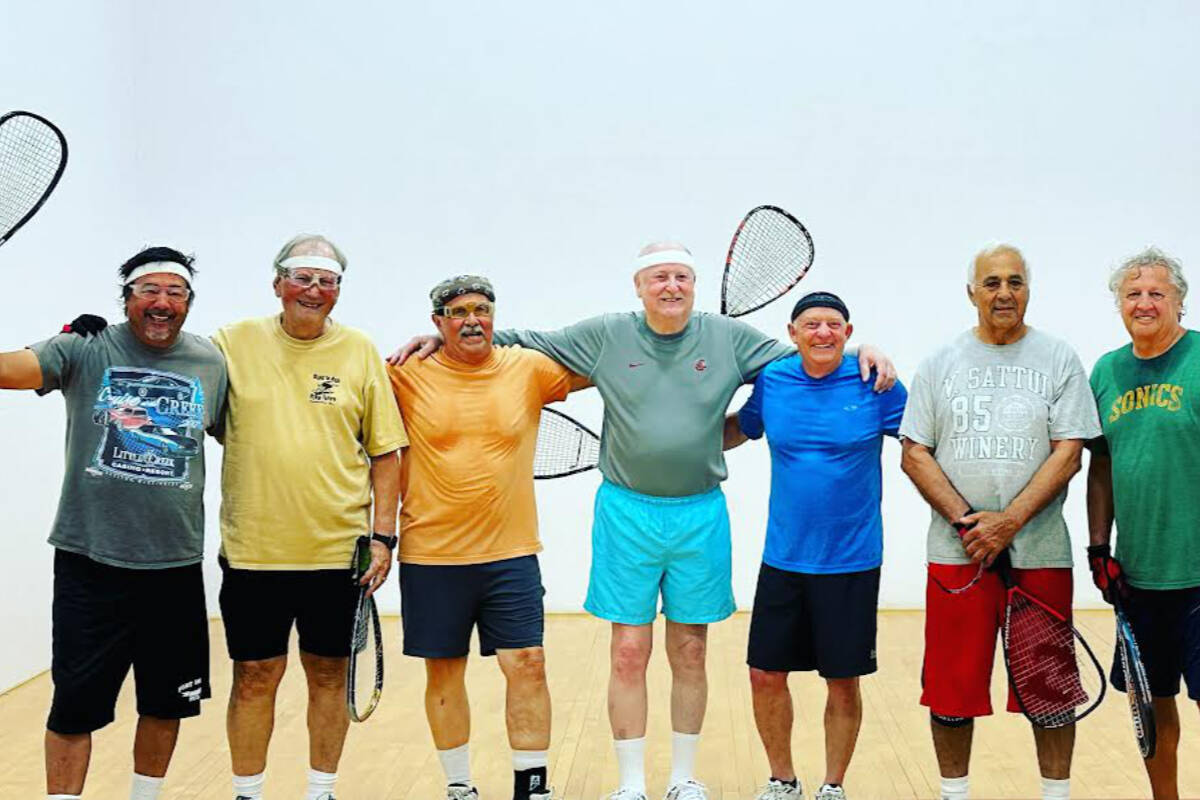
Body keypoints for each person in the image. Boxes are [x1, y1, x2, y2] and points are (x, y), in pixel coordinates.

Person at [392, 241, 895, 800]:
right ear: (639, 287)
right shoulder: (608, 333)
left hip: (700, 513)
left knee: (691, 651)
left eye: (681, 276)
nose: (671, 286)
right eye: (659, 278)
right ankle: (631, 783)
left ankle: (683, 778)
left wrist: (867, 348)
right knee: (629, 650)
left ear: (694, 284)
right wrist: (444, 335)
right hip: (625, 512)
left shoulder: (730, 339)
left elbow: (813, 355)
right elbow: (527, 338)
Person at [0, 247, 227, 800]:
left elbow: (244, 427)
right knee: (74, 706)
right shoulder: (84, 347)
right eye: (149, 290)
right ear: (126, 299)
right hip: (89, 562)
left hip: (173, 563)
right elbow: (10, 370)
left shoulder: (211, 362)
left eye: (176, 293)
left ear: (189, 304)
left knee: (166, 701)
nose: (162, 302)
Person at [899, 243, 1101, 800]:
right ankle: (953, 795)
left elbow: (1069, 451)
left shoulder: (1059, 359)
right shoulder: (941, 363)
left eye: (1015, 282)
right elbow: (914, 451)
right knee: (951, 694)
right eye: (992, 283)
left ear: (1028, 290)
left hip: (1040, 555)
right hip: (957, 558)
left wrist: (1008, 523)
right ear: (972, 293)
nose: (1004, 293)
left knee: (1050, 695)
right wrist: (971, 524)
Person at [214, 234, 406, 800]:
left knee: (326, 677)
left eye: (327, 282)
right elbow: (169, 371)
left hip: (336, 554)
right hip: (253, 552)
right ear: (277, 284)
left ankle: (320, 791)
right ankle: (248, 793)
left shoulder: (360, 351)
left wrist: (383, 538)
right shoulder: (231, 343)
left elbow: (386, 452)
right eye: (302, 278)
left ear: (338, 292)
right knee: (253, 678)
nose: (313, 290)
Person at [389, 275, 587, 800]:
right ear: (436, 323)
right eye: (457, 313)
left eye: (481, 309)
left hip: (511, 554)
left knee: (527, 663)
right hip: (431, 554)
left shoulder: (529, 368)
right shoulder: (407, 375)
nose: (471, 319)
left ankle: (532, 787)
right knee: (445, 673)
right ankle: (459, 787)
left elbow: (608, 365)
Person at [724, 292, 907, 800]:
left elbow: (921, 444)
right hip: (783, 558)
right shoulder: (774, 381)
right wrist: (674, 435)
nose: (822, 333)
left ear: (848, 333)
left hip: (852, 560)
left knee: (842, 680)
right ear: (793, 331)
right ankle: (782, 781)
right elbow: (742, 429)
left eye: (833, 325)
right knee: (764, 674)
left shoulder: (877, 383)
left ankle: (833, 785)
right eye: (811, 324)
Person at [1086, 247, 1200, 800]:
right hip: (1140, 577)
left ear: (1181, 301)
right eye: (1133, 294)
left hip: (1199, 574)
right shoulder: (1107, 372)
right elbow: (1101, 463)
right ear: (1119, 305)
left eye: (1158, 293)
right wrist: (1097, 546)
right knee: (1152, 708)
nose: (1145, 302)